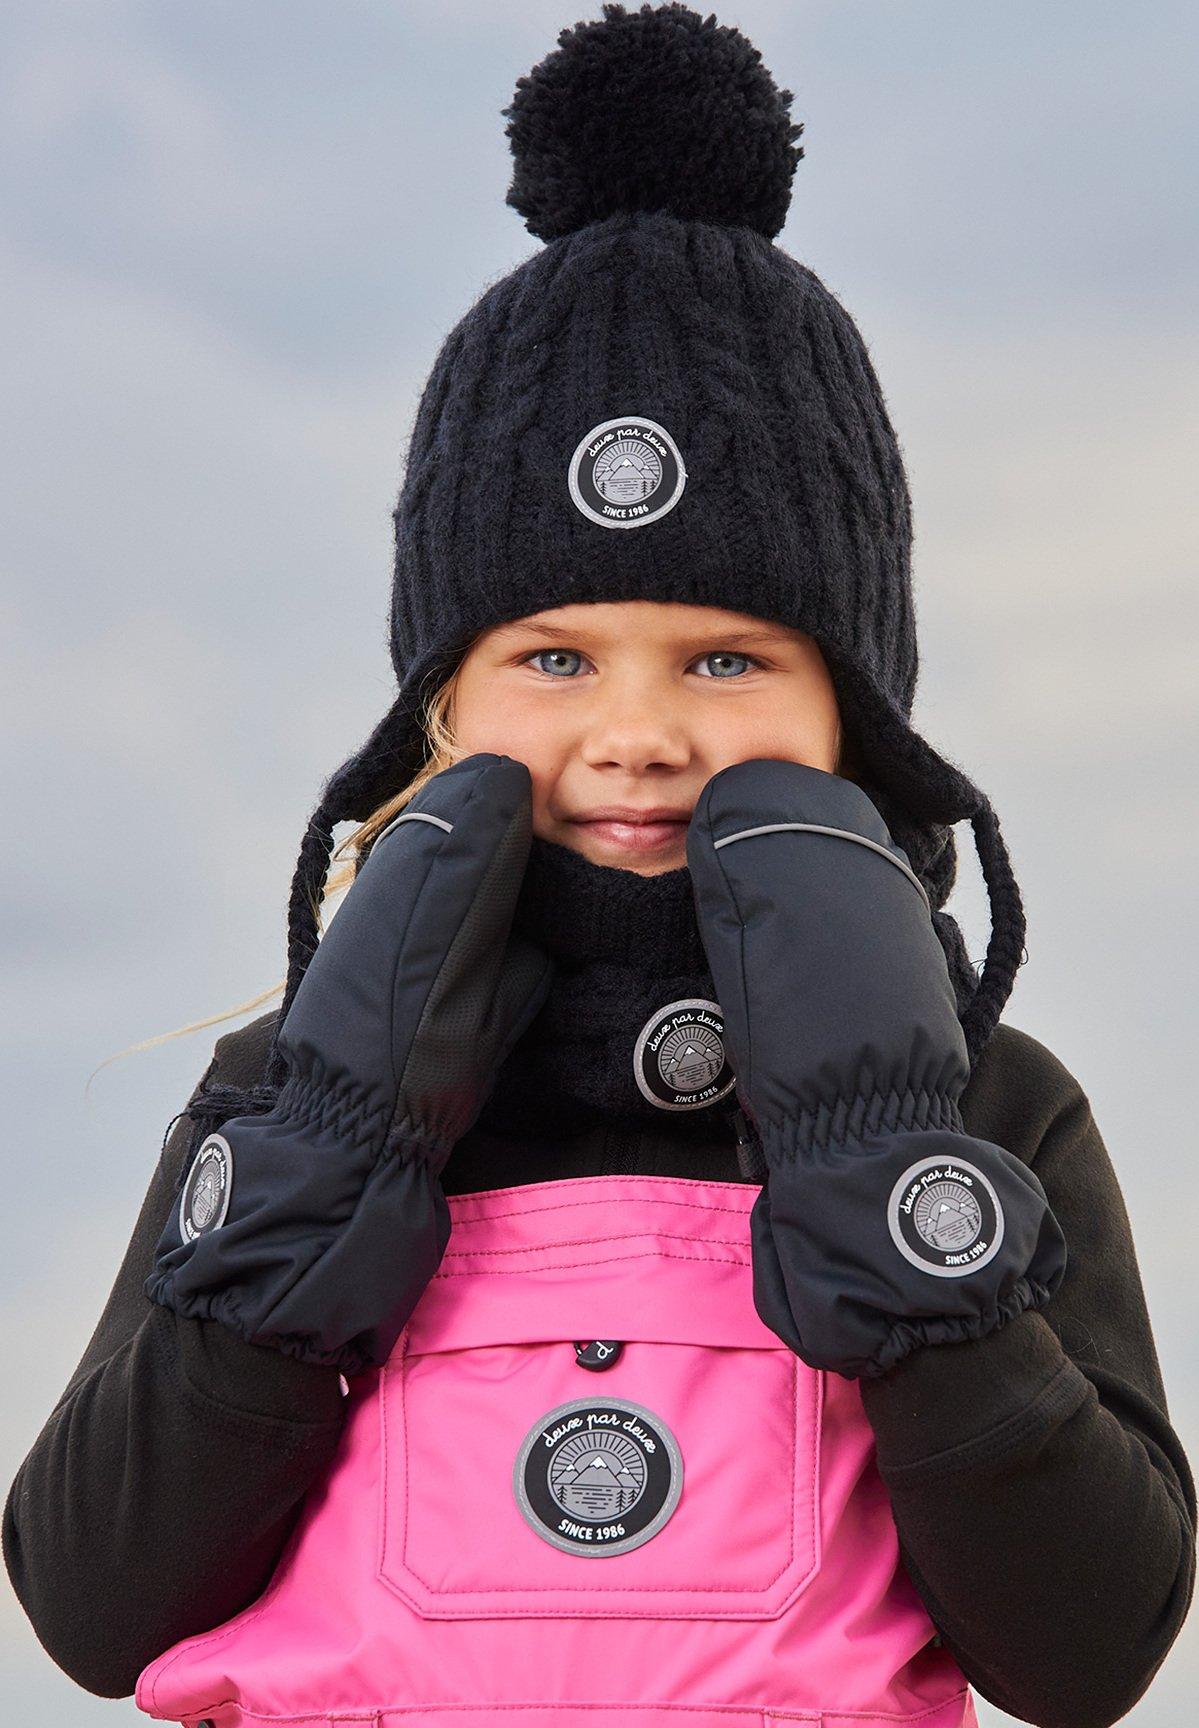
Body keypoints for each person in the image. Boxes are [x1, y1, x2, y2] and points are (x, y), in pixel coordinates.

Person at [4, 5, 1194, 1725]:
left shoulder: (988, 1102)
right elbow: (95, 1604)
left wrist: (885, 1186)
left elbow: (1092, 1652)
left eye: (725, 659)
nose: (637, 732)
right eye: (554, 659)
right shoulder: (284, 1093)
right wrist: (330, 1163)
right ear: (443, 701)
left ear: (851, 708)